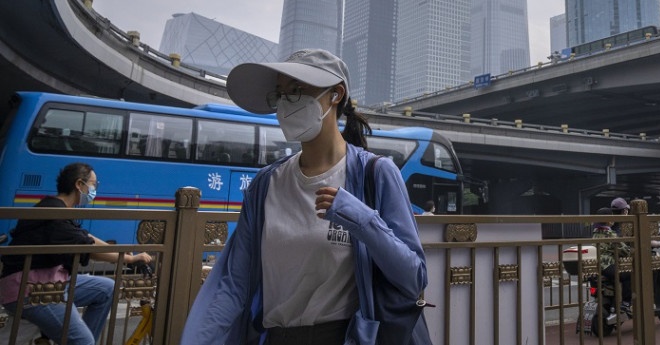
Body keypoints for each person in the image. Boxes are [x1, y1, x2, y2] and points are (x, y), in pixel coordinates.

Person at [181, 49, 431, 345]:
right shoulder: (266, 184)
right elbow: (234, 284)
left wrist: (362, 219)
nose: (285, 104)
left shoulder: (376, 174)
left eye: (297, 90)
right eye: (280, 94)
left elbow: (414, 278)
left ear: (335, 95)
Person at [0, 162, 152, 345]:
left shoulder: (56, 209)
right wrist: (129, 258)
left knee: (106, 289)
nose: (95, 189)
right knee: (82, 341)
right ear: (79, 185)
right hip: (31, 289)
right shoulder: (54, 214)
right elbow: (86, 245)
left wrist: (122, 255)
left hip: (51, 282)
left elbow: (85, 237)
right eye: (94, 184)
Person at [591, 207, 631, 311]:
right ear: (608, 220)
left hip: (596, 266)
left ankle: (614, 302)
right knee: (628, 274)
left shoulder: (595, 233)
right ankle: (626, 302)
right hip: (607, 266)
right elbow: (625, 250)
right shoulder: (610, 233)